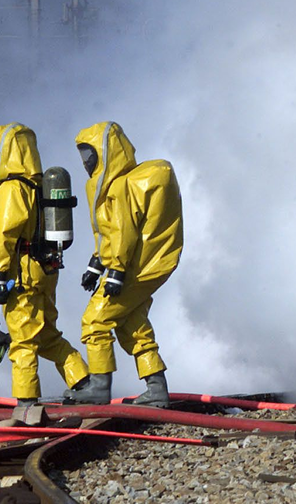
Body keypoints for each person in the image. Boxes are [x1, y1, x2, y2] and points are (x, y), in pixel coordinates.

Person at [66, 122, 183, 406]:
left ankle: (99, 387)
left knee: (95, 321)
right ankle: (156, 387)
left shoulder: (120, 187)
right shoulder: (117, 185)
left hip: (133, 267)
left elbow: (123, 233)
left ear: (106, 152)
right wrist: (97, 264)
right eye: (82, 155)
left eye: (89, 154)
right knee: (132, 323)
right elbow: (109, 234)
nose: (86, 162)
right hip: (144, 265)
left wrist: (115, 271)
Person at [0, 123, 88, 404]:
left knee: (22, 342)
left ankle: (26, 402)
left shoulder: (12, 188)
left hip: (23, 276)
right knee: (45, 335)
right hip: (46, 270)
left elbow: (6, 233)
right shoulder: (40, 184)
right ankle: (82, 380)